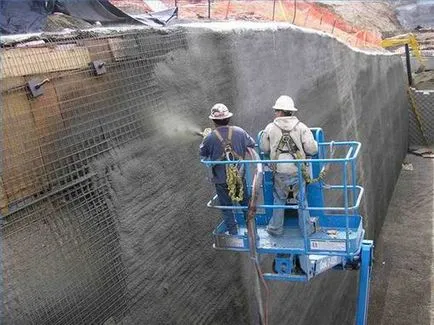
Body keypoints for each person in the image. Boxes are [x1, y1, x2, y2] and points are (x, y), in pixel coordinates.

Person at [259, 95, 318, 236]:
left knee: (279, 199)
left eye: (276, 110)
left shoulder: (270, 128)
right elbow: (312, 149)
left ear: (280, 112)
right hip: (297, 172)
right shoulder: (301, 127)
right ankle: (306, 230)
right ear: (291, 111)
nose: (275, 113)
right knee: (301, 200)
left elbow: (263, 148)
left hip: (279, 172)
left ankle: (275, 228)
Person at [200, 103, 256, 235]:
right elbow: (251, 144)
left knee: (226, 207)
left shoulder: (210, 138)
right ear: (228, 118)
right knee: (245, 204)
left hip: (220, 179)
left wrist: (206, 138)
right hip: (239, 176)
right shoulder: (240, 132)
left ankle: (233, 231)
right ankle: (252, 230)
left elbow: (203, 155)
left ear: (213, 120)